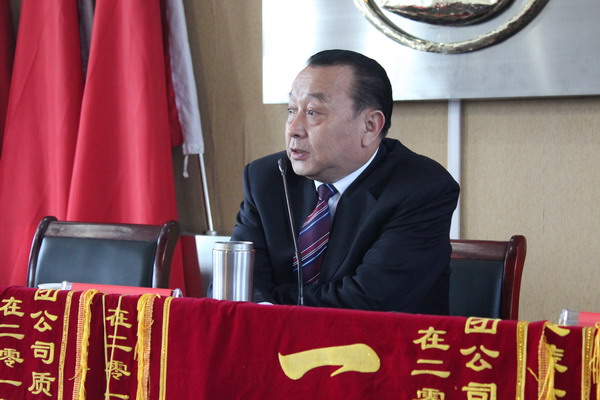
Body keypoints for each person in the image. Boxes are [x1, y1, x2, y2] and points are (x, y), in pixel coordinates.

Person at [230, 49, 459, 313]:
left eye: (313, 112)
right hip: (273, 337)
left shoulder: (421, 188)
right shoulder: (267, 178)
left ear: (370, 126)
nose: (293, 128)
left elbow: (367, 303)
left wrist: (270, 303)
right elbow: (236, 284)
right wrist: (265, 307)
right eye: (291, 110)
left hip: (379, 339)